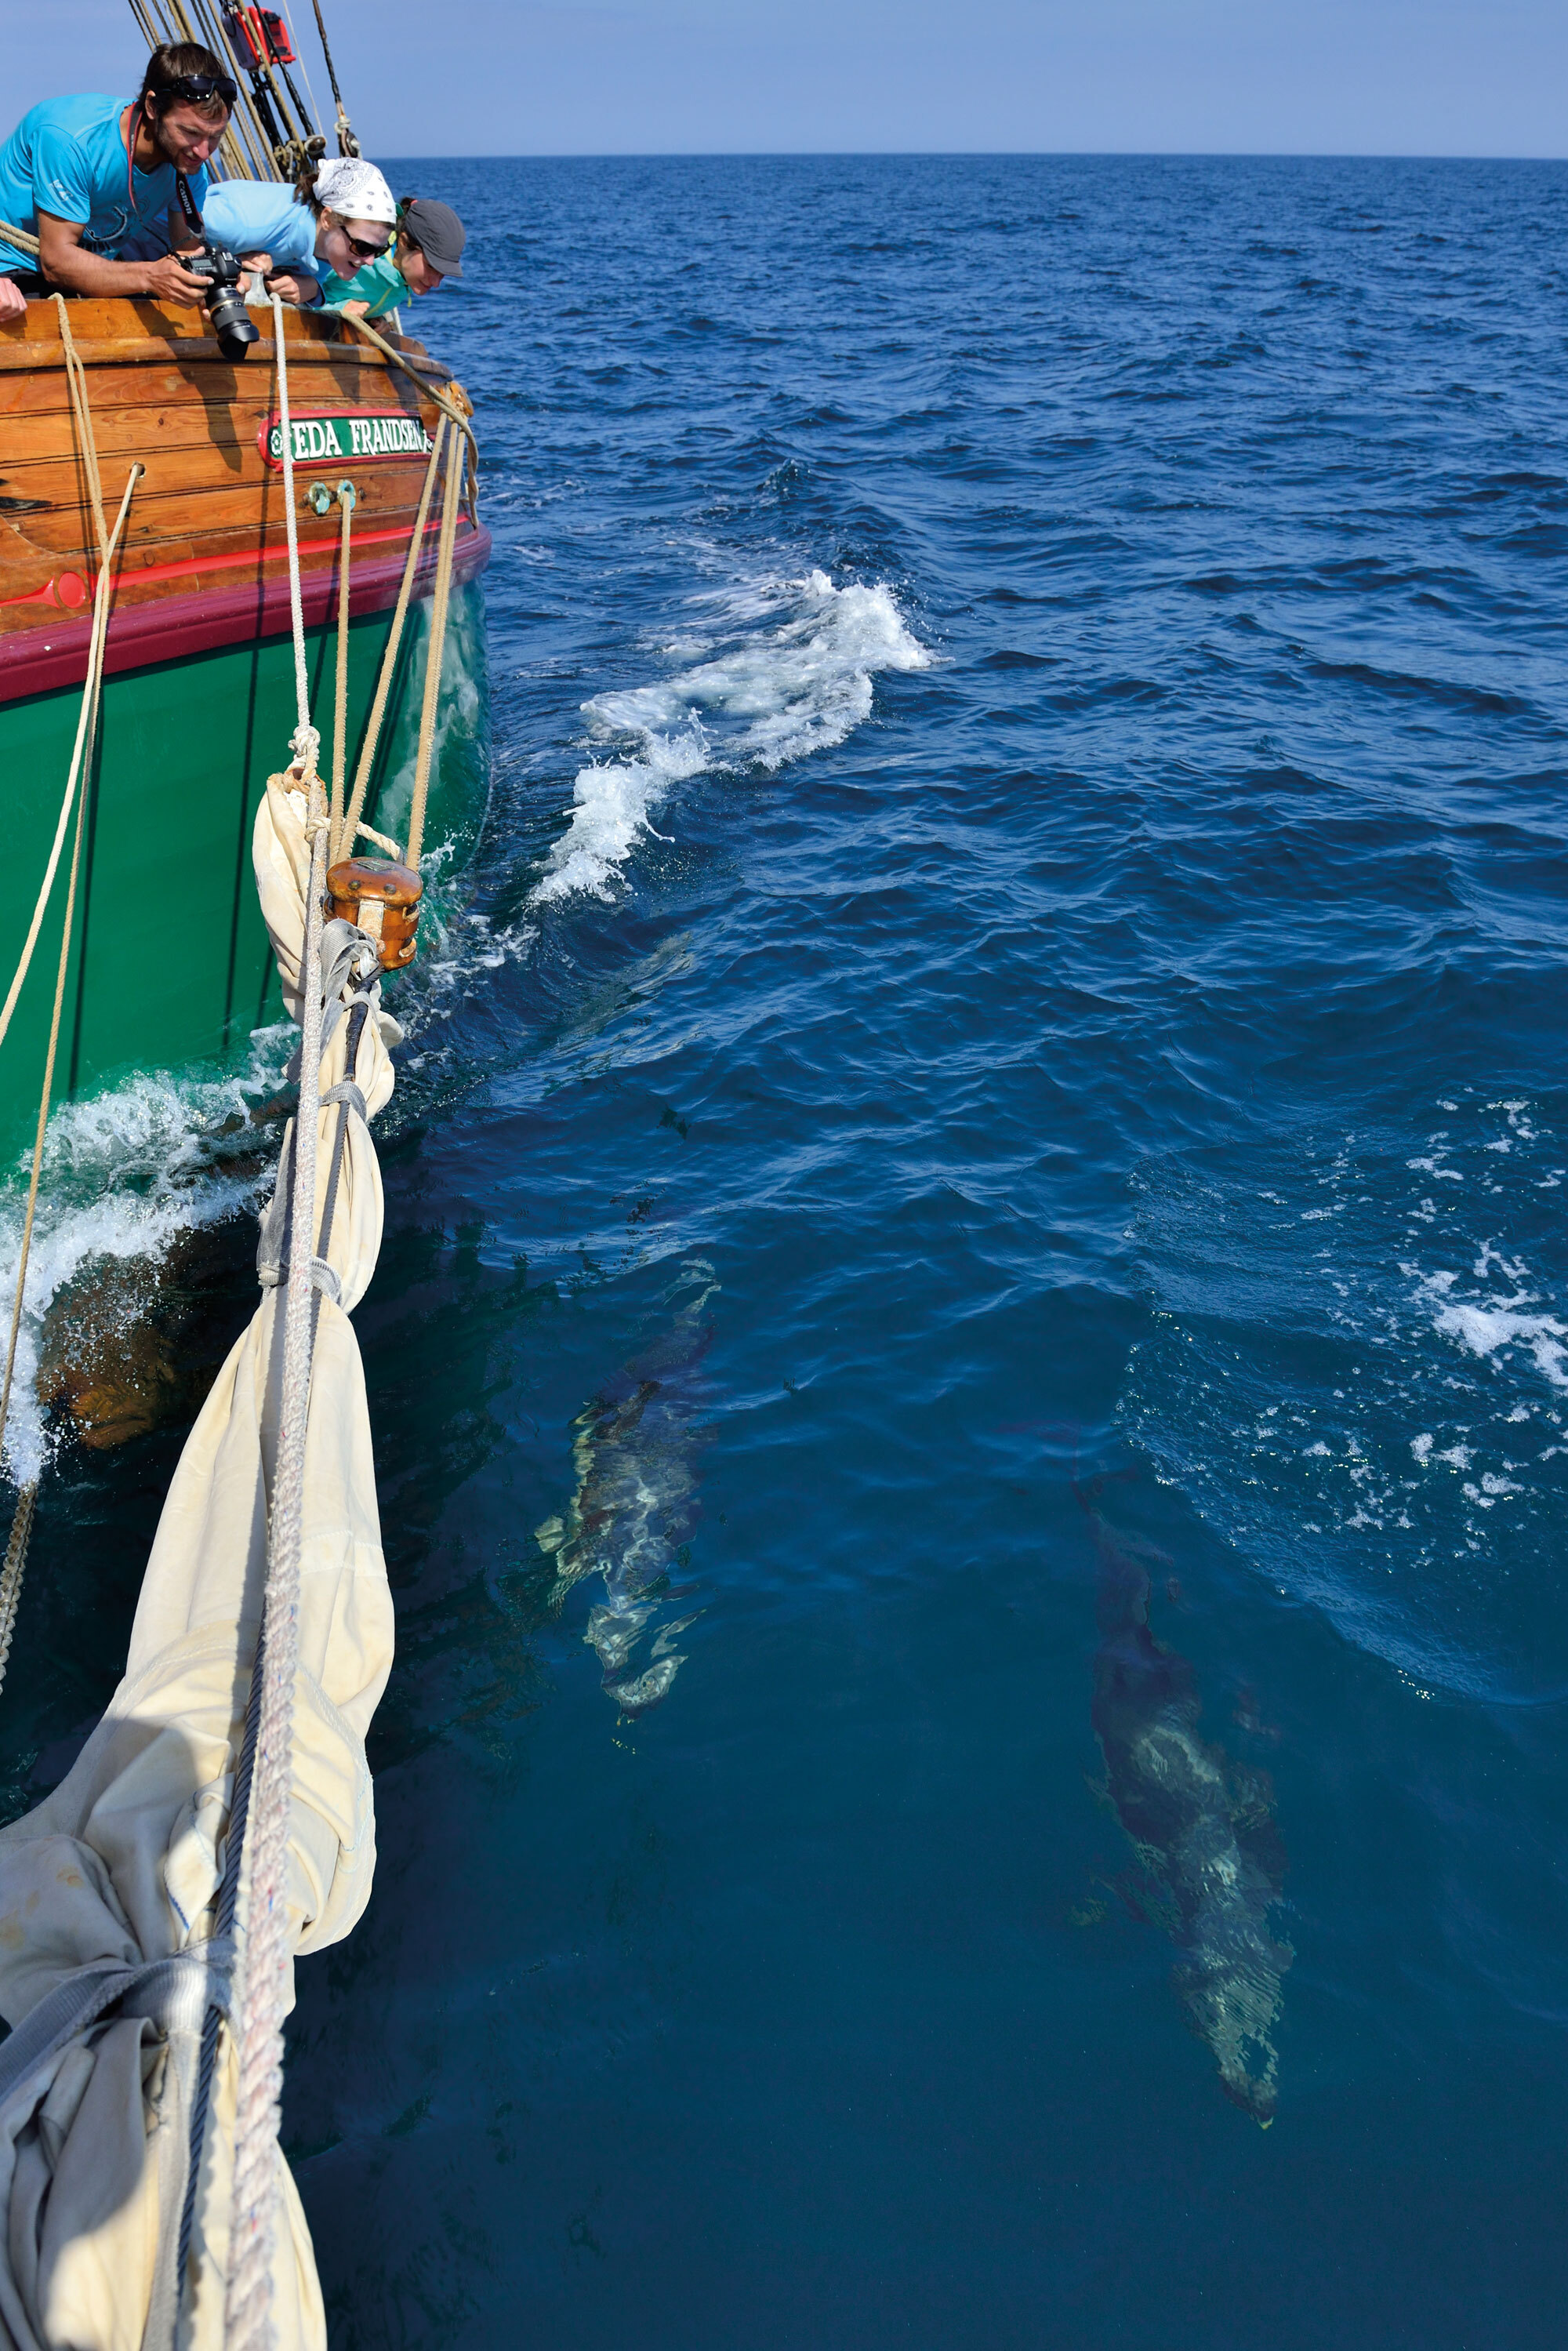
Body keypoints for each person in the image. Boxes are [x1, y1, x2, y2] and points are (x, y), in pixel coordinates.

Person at [0, 42, 231, 321]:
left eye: (215, 136)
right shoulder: (71, 139)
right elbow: (58, 263)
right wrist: (150, 276)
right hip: (16, 268)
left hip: (90, 272)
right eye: (190, 132)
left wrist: (218, 283)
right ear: (152, 107)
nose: (203, 151)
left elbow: (187, 245)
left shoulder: (187, 164)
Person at [197, 155, 398, 310]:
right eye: (363, 247)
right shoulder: (239, 224)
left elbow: (317, 273)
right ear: (328, 219)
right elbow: (169, 227)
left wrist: (313, 289)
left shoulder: (330, 246)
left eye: (379, 251)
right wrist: (230, 262)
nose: (370, 261)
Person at [320, 196, 466, 324]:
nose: (436, 283)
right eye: (430, 266)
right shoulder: (358, 257)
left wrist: (374, 318)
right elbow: (298, 294)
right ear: (403, 242)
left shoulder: (404, 278)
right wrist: (339, 310)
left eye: (442, 273)